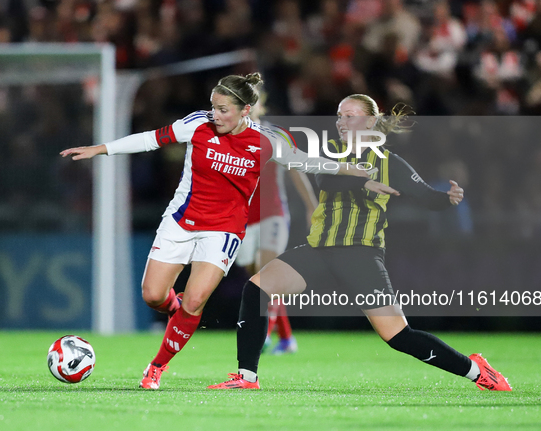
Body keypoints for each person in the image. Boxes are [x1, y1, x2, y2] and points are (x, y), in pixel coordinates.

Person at [60, 73, 374, 390]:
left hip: (223, 232)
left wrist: (351, 170)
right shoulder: (197, 124)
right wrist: (100, 149)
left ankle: (156, 367)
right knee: (153, 295)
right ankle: (176, 311)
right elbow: (149, 139)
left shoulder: (268, 140)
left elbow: (308, 163)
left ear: (245, 110)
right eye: (213, 107)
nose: (216, 115)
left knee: (195, 302)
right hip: (181, 221)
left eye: (224, 109)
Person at [207, 94, 512, 391]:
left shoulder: (390, 162)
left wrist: (448, 199)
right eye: (339, 115)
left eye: (349, 116)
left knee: (398, 336)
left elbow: (426, 197)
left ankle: (476, 370)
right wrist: (364, 181)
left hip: (360, 255)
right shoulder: (331, 150)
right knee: (258, 288)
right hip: (320, 249)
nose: (341, 121)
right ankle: (247, 377)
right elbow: (325, 179)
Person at [236, 96, 319, 354]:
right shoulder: (232, 137)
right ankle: (287, 338)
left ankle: (263, 335)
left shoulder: (275, 136)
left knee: (266, 276)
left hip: (273, 214)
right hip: (244, 219)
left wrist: (312, 206)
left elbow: (296, 171)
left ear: (261, 106)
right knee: (258, 281)